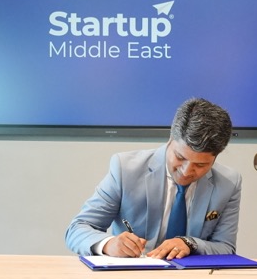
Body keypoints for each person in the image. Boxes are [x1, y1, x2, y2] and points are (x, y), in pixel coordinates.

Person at [66, 98, 241, 259]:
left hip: (193, 277)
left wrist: (190, 244)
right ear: (170, 139)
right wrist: (108, 244)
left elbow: (226, 247)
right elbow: (78, 229)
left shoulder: (229, 183)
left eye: (200, 165)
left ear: (215, 158)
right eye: (180, 157)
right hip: (132, 276)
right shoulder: (125, 169)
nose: (187, 171)